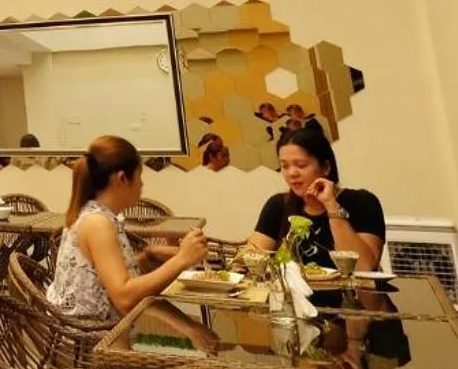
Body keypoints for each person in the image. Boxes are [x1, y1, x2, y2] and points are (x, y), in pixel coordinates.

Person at [47, 134, 207, 320]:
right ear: (122, 178)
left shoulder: (96, 215)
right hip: (90, 341)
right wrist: (181, 259)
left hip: (96, 333)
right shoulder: (97, 223)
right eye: (139, 176)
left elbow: (102, 279)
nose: (142, 184)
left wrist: (147, 257)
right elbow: (124, 298)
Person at [245, 123, 385, 272]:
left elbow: (364, 268)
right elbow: (252, 262)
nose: (292, 173)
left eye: (301, 165)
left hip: (350, 294)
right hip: (293, 294)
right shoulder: (279, 205)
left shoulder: (362, 201)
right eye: (285, 166)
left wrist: (331, 205)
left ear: (326, 167)